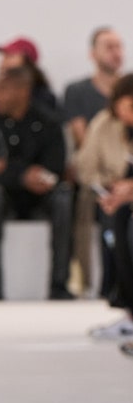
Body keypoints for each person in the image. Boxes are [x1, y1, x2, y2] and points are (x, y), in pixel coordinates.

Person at [0, 66, 73, 300]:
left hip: (40, 198)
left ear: (23, 91)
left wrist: (2, 167)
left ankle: (59, 284)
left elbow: (54, 169)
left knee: (63, 196)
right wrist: (21, 174)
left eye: (2, 90)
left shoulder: (48, 123)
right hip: (4, 199)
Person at [63, 26, 125, 295]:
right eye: (109, 47)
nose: (116, 52)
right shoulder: (80, 94)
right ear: (93, 53)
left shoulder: (127, 90)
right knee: (106, 207)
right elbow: (84, 143)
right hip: (98, 177)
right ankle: (103, 285)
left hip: (124, 176)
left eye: (119, 46)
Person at [74, 73, 133, 340]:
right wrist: (112, 189)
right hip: (116, 194)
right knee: (119, 221)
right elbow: (86, 167)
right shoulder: (104, 124)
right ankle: (127, 308)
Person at [0, 37, 59, 122]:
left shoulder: (44, 97)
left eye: (10, 56)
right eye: (3, 56)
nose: (3, 62)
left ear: (28, 62)